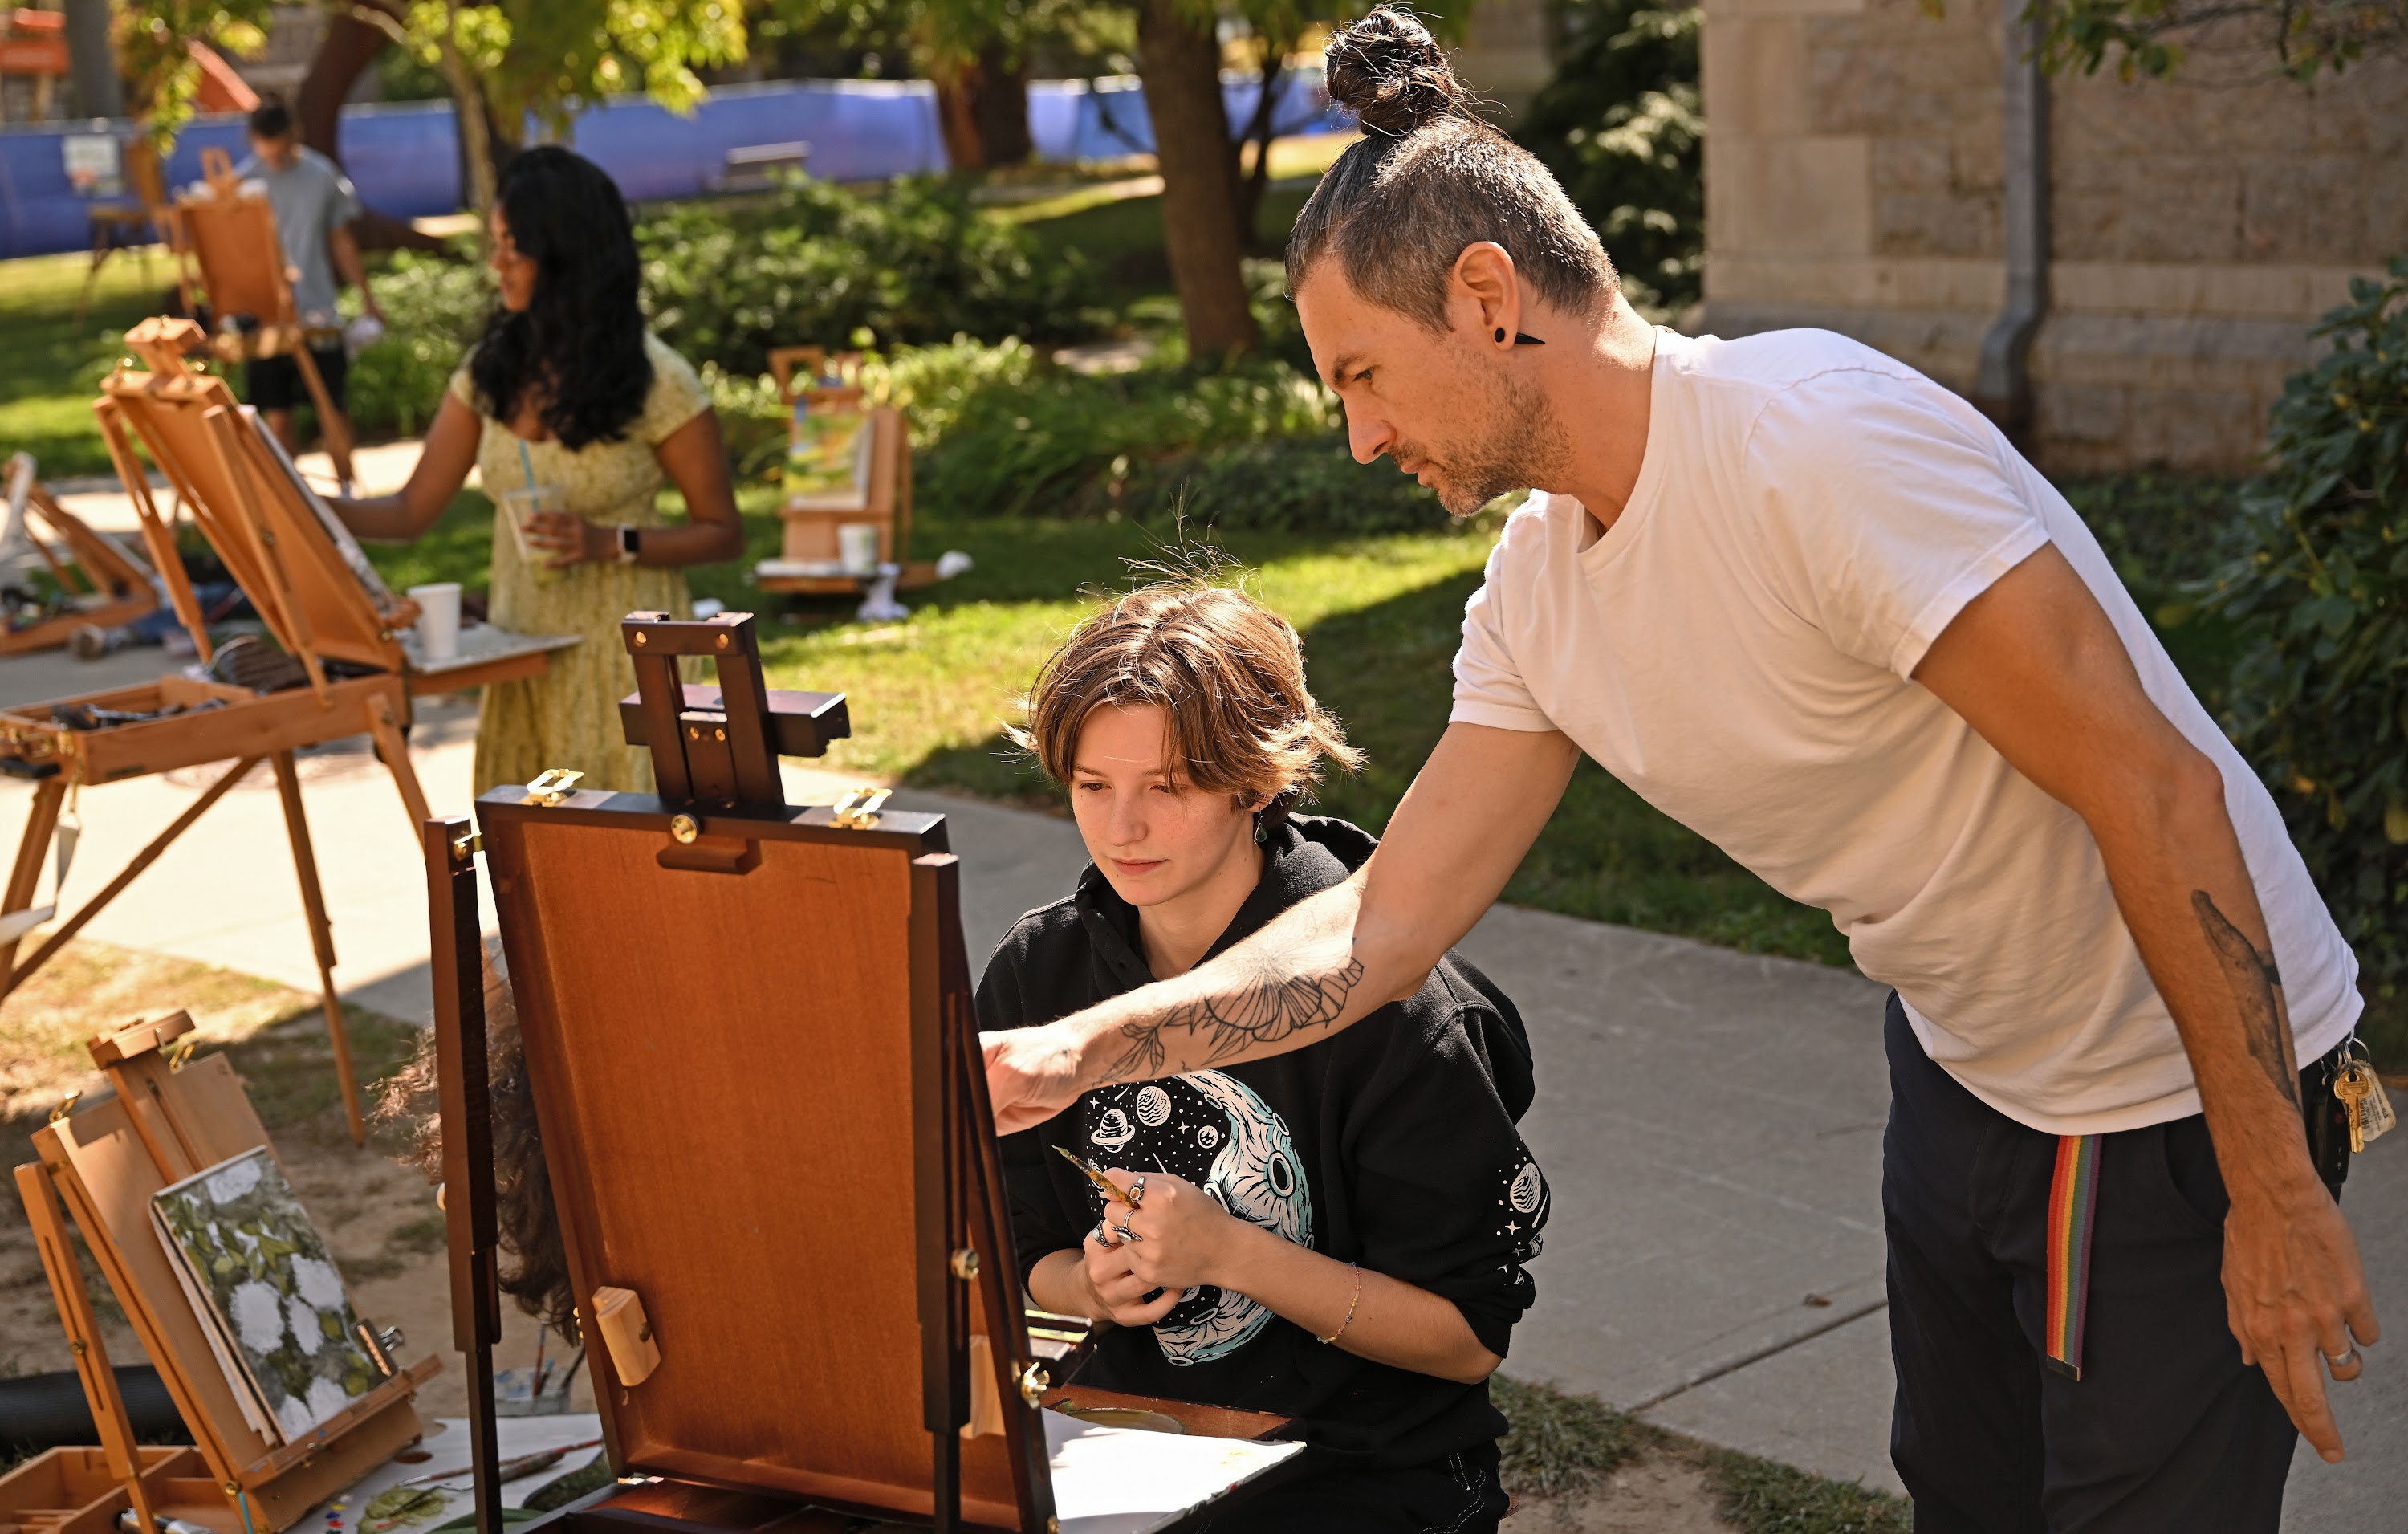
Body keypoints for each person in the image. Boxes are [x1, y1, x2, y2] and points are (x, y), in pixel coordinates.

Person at [983, 10, 2382, 1531]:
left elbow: (2156, 791)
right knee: (1968, 1501)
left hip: (2169, 1084)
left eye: (1367, 376)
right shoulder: (1539, 592)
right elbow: (1385, 925)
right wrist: (1080, 1051)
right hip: (1966, 1066)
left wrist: (2274, 1188)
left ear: (1485, 295)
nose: (1362, 437)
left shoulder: (1812, 447)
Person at [987, 582, 1544, 1532]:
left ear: (1257, 779)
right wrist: (1089, 1286)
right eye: (1092, 786)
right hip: (1132, 1452)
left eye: (1167, 788)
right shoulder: (1039, 974)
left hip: (1363, 1471)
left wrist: (1232, 1253)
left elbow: (1463, 1342)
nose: (1122, 829)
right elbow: (1016, 1242)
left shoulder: (1396, 1007)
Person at [333, 146, 744, 794]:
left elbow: (722, 530)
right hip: (521, 659)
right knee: (537, 870)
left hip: (629, 667)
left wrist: (608, 543)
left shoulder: (659, 381)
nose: (494, 264)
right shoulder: (489, 372)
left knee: (638, 869)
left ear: (565, 257)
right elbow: (409, 513)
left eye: (512, 247)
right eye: (493, 243)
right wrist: (298, 501)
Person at [234, 96, 381, 454]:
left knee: (333, 410)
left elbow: (341, 239)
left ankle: (348, 498)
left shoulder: (320, 174)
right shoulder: (241, 184)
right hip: (267, 319)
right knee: (277, 418)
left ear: (294, 134)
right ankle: (290, 505)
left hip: (317, 311)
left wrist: (366, 296)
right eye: (267, 150)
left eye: (281, 148)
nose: (275, 158)